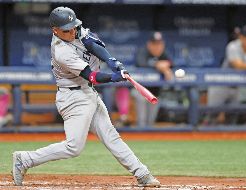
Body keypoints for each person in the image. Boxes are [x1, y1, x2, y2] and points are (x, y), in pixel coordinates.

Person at [12, 7, 160, 187]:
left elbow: (92, 44)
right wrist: (114, 77)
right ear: (55, 31)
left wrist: (113, 62)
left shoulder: (75, 30)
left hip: (87, 93)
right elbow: (92, 76)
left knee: (111, 136)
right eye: (67, 30)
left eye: (73, 27)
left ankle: (142, 174)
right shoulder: (61, 51)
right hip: (73, 98)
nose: (72, 32)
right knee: (74, 147)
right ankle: (25, 159)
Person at [207, 25, 246, 124]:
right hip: (221, 84)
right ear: (240, 37)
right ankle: (204, 136)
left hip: (236, 86)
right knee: (212, 114)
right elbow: (237, 65)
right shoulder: (232, 46)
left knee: (233, 116)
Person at [133, 31, 173, 127]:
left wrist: (166, 66)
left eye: (159, 44)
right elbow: (140, 63)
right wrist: (157, 65)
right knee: (142, 123)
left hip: (155, 93)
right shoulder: (143, 51)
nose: (157, 47)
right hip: (140, 92)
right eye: (154, 44)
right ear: (149, 44)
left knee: (150, 123)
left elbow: (172, 62)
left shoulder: (164, 53)